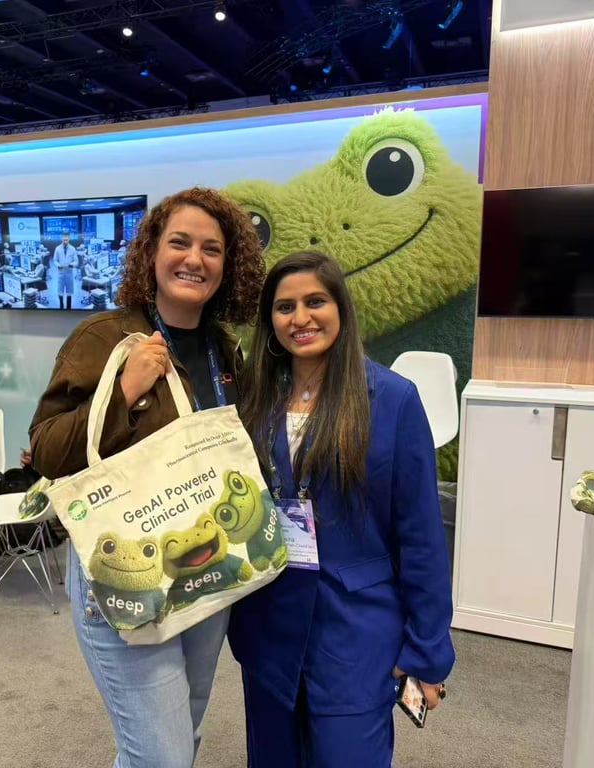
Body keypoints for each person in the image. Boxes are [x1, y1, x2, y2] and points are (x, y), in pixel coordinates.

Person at [29, 187, 265, 768]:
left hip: (208, 561)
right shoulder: (105, 338)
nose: (195, 259)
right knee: (161, 754)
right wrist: (126, 391)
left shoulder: (224, 351)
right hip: (125, 567)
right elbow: (46, 450)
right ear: (151, 254)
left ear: (227, 266)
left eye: (212, 249)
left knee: (177, 735)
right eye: (179, 242)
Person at [228, 251, 455, 767]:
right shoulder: (256, 397)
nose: (300, 317)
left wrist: (428, 650)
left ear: (341, 308)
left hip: (354, 626)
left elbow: (420, 534)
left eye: (315, 301)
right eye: (284, 307)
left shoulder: (393, 399)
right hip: (269, 622)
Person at [53, 231, 78, 309]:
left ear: (69, 239)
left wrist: (72, 264)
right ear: (62, 238)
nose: (65, 241)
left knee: (69, 291)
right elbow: (55, 260)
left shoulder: (73, 249)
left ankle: (69, 308)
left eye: (66, 240)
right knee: (60, 290)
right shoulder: (57, 248)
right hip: (61, 272)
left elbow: (76, 261)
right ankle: (61, 306)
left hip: (69, 273)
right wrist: (58, 265)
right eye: (64, 240)